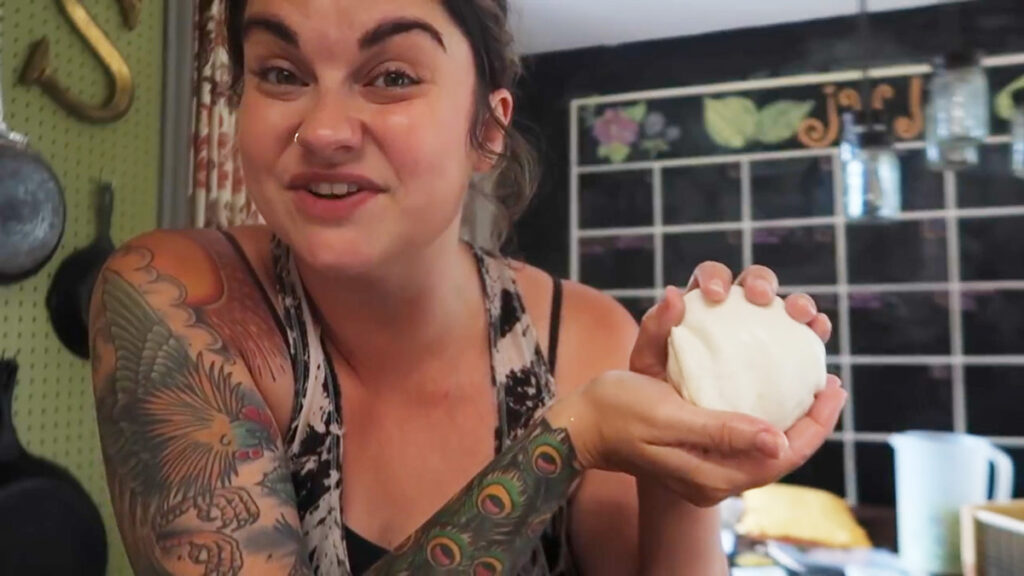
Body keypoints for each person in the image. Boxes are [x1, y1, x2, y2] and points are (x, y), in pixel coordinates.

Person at [87, 0, 846, 574]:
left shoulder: (582, 338)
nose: (323, 131)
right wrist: (567, 440)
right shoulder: (180, 300)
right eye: (281, 74)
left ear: (487, 128)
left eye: (390, 77)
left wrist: (685, 472)